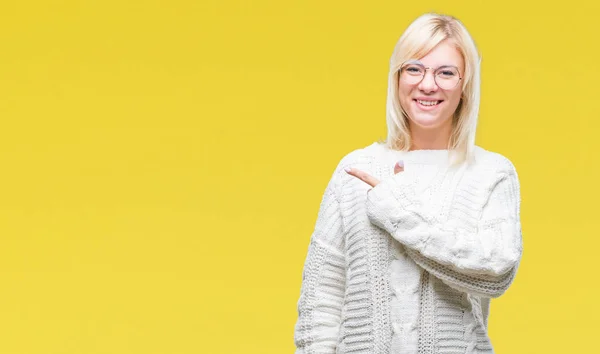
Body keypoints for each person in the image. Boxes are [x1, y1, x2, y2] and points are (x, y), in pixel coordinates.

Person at [293, 13, 523, 354]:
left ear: (465, 85)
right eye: (414, 69)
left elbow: (496, 270)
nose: (428, 84)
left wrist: (398, 212)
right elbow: (321, 299)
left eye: (446, 72)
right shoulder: (355, 170)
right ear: (397, 78)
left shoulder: (491, 173)